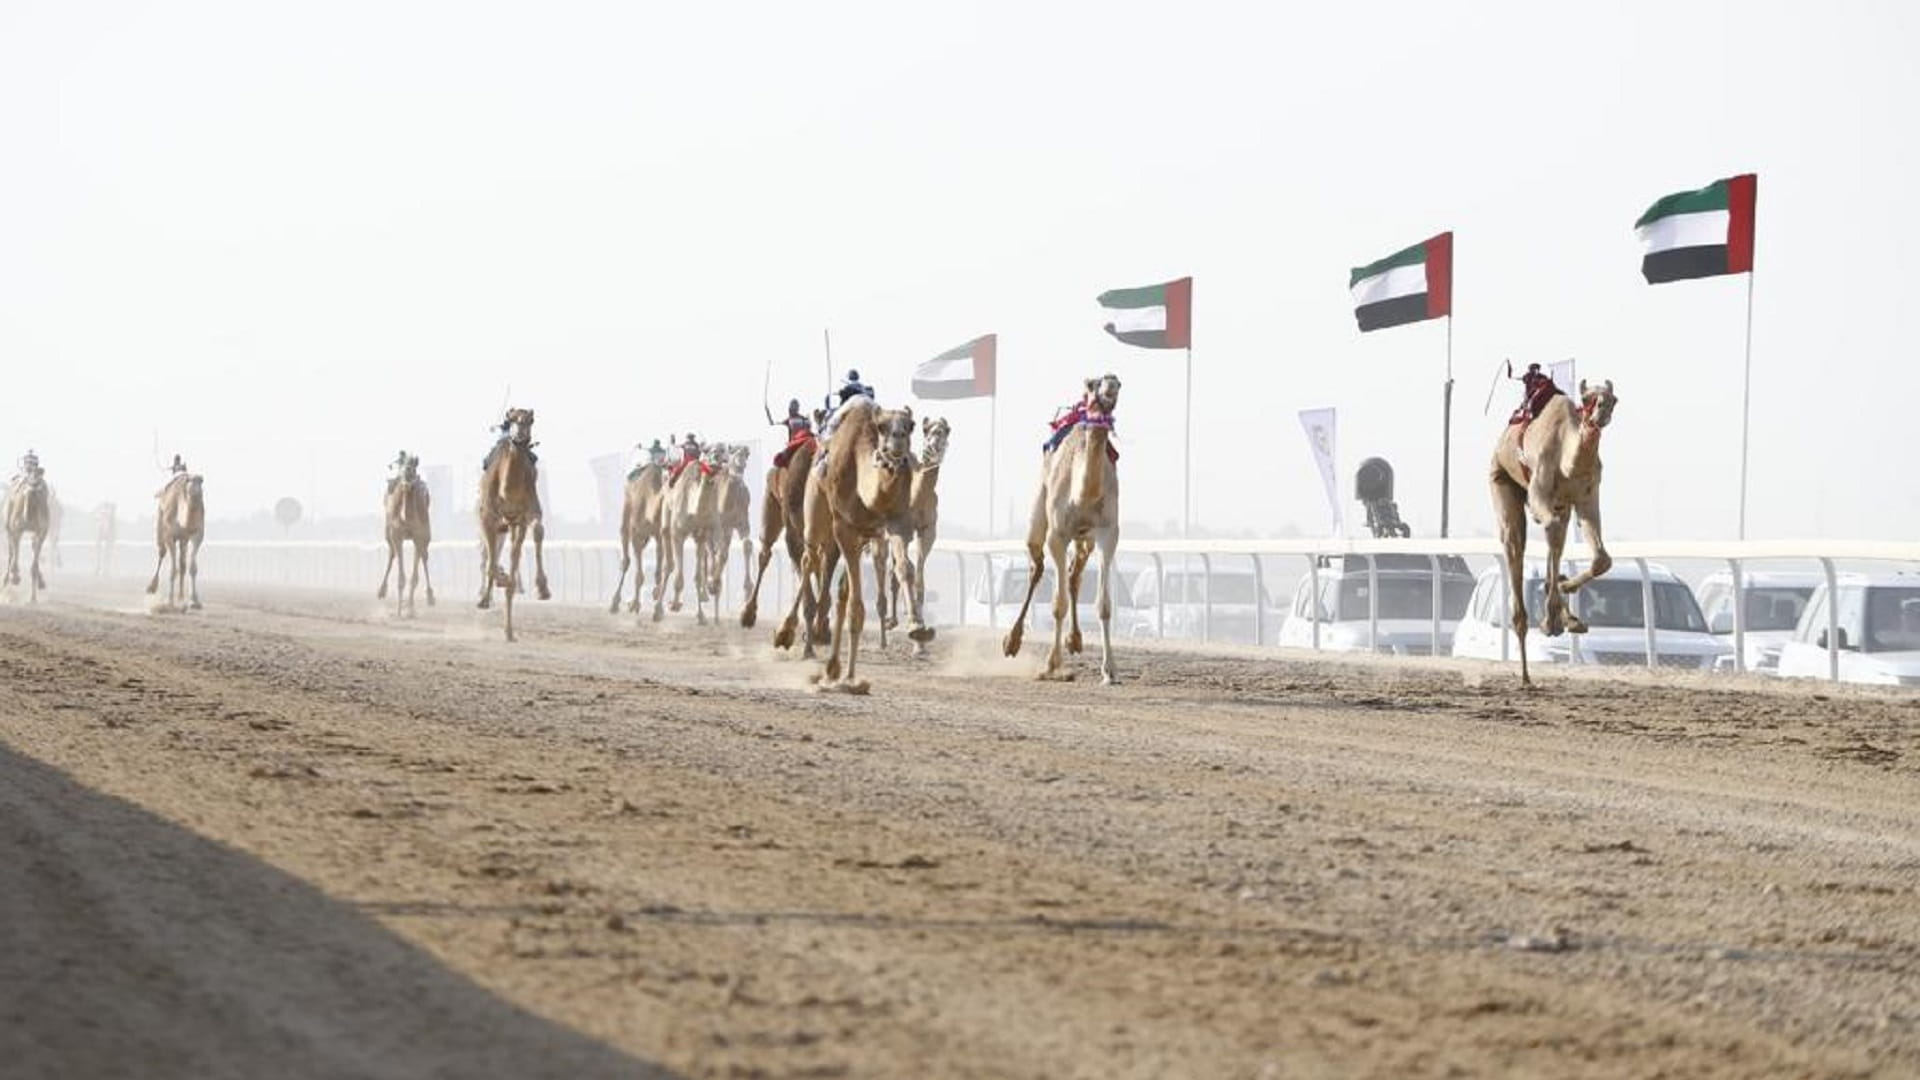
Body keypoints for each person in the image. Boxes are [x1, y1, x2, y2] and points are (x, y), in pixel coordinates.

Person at [771, 398, 815, 467]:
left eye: (792, 408)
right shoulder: (803, 419)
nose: (790, 410)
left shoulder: (791, 420)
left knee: (781, 458)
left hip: (798, 441)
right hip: (804, 439)